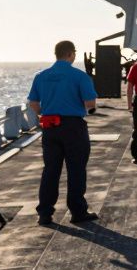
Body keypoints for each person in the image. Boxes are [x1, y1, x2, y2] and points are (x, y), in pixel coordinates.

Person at [27, 40, 100, 226]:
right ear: (71, 54)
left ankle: (45, 214)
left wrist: (46, 113)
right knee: (76, 170)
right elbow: (90, 104)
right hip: (73, 127)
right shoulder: (80, 76)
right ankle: (78, 212)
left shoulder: (41, 76)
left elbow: (34, 104)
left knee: (50, 171)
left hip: (50, 127)